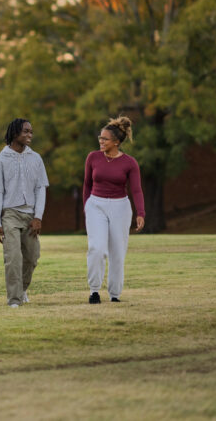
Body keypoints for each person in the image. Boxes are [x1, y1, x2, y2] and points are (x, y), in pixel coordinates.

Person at [83, 116, 145, 304]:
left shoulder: (130, 163)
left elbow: (136, 189)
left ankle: (115, 294)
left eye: (105, 139)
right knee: (97, 248)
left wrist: (141, 213)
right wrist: (87, 207)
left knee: (117, 252)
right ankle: (94, 290)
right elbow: (87, 184)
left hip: (120, 207)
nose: (100, 141)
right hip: (96, 205)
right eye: (100, 138)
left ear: (116, 142)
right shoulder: (92, 157)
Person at [0, 118, 49, 308]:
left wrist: (38, 216)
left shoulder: (36, 159)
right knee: (13, 258)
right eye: (25, 132)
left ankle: (22, 289)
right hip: (10, 215)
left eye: (31, 132)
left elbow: (41, 188)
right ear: (15, 134)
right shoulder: (0, 160)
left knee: (32, 257)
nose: (29, 135)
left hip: (30, 215)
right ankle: (14, 299)